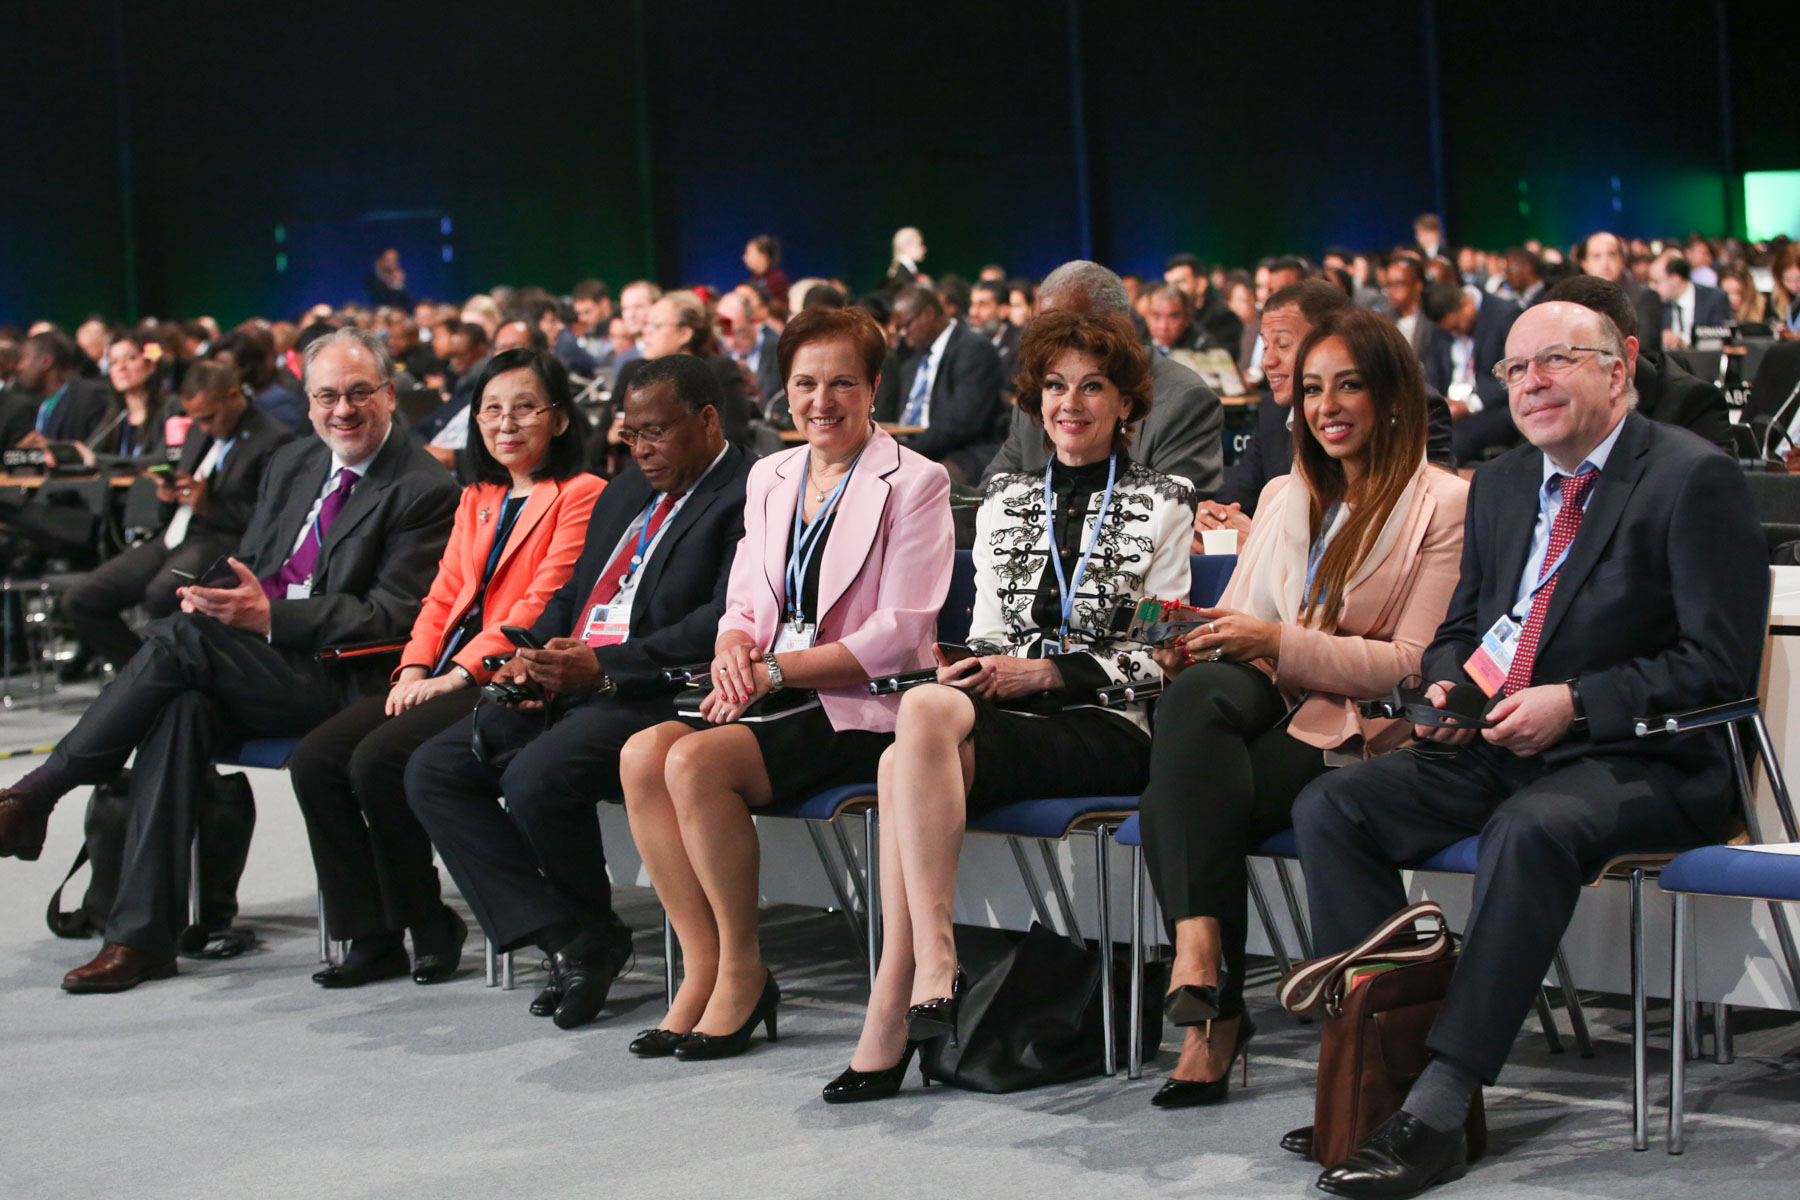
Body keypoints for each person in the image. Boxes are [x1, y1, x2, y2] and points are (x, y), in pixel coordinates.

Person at [1287, 301, 1766, 1195]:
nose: (1532, 384)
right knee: (1334, 804)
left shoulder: (1691, 478)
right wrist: (1446, 687)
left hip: (1647, 760)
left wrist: (1576, 706)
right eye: (1514, 369)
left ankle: (1437, 1102)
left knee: (1531, 828)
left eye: (1556, 361)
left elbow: (1719, 668)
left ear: (1618, 367)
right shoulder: (1504, 484)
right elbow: (1464, 625)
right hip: (1503, 743)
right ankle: (1374, 1075)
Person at [0, 327, 458, 993]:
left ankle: (40, 792)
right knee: (176, 703)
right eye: (327, 395)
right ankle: (142, 939)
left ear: (389, 394)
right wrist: (219, 597)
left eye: (360, 393)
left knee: (174, 645)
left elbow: (394, 616)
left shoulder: (422, 487)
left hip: (344, 672)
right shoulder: (295, 463)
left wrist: (270, 619)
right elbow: (261, 566)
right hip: (261, 657)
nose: (343, 410)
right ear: (306, 404)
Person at [826, 307, 1193, 1103]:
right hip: (1002, 717)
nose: (1072, 404)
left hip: (1108, 725)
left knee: (902, 758)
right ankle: (931, 962)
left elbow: (1166, 654)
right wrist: (976, 668)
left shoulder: (1166, 501)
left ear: (1125, 403)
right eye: (1056, 387)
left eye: (1094, 387)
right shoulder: (1002, 504)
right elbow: (991, 631)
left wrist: (1054, 676)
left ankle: (903, 993)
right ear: (1035, 402)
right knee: (922, 716)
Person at [1135, 308, 1467, 1109]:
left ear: (1393, 397)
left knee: (1182, 791)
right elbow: (1240, 627)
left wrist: (1273, 643)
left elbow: (1412, 668)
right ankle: (1204, 962)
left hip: (1363, 723)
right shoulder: (1284, 494)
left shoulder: (1444, 504)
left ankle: (1208, 1004)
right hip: (1265, 699)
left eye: (1349, 385)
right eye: (1312, 388)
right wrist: (1188, 641)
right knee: (1198, 692)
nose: (1326, 406)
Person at [619, 306, 953, 1062]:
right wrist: (736, 646)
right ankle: (701, 963)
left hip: (861, 704)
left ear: (873, 389)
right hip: (773, 687)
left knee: (693, 762)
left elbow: (900, 632)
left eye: (842, 382)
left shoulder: (917, 482)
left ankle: (743, 967)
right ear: (784, 391)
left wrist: (772, 669)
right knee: (642, 754)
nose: (821, 401)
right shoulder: (770, 473)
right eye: (805, 383)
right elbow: (744, 601)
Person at [406, 355, 752, 1028]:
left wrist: (606, 666)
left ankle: (587, 934)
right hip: (573, 679)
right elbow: (572, 595)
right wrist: (527, 654)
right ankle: (571, 937)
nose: (639, 449)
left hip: (652, 693)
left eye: (656, 432)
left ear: (707, 421)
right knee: (433, 770)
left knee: (538, 776)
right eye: (630, 432)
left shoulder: (748, 491)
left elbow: (721, 619)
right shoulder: (624, 492)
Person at [285, 349, 602, 989]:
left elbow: (543, 603)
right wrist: (413, 668)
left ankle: (434, 922)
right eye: (490, 409)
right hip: (441, 673)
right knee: (316, 761)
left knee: (379, 759)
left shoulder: (580, 494)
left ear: (559, 419)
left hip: (509, 674)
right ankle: (372, 934)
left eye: (523, 408)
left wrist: (457, 674)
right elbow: (441, 595)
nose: (504, 423)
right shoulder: (478, 496)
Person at [63, 360, 293, 670]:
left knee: (162, 594)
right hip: (174, 535)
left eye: (209, 417)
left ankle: (164, 676)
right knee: (81, 598)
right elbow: (185, 480)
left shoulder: (274, 439)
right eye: (196, 419)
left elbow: (272, 519)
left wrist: (208, 505)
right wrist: (169, 494)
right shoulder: (198, 431)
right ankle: (139, 672)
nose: (203, 426)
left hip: (224, 539)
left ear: (233, 395)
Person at [1199, 280, 1455, 537]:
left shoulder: (1410, 406)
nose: (1268, 361)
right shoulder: (1273, 411)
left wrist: (1262, 541)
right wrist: (1211, 518)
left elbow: (1423, 520)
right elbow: (1236, 497)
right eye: (1265, 345)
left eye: (1284, 344)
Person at [983, 261, 1224, 495]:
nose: (1050, 344)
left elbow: (1186, 516)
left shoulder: (1185, 400)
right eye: (1042, 330)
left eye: (1067, 332)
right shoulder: (1040, 393)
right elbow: (987, 499)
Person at [1547, 274, 1734, 453]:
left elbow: (1709, 482)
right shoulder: (1537, 404)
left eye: (1561, 358)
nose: (1540, 379)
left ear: (1626, 353)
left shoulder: (1691, 404)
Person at [883, 285, 1005, 482]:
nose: (903, 334)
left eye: (906, 325)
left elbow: (962, 423)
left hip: (961, 451)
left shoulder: (973, 349)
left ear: (928, 314)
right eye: (899, 329)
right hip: (913, 448)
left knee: (914, 480)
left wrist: (904, 451)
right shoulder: (912, 360)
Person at [1420, 282, 1523, 463]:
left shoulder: (1504, 316)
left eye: (1456, 327)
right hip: (1452, 404)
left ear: (1466, 304)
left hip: (1492, 406)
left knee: (1450, 439)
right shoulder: (1442, 327)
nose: (1454, 333)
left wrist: (1469, 405)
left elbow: (1514, 376)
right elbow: (1433, 371)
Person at [9, 328, 113, 447]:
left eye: (23, 359)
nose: (19, 367)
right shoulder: (33, 402)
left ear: (45, 362)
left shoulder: (90, 397)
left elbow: (94, 453)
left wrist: (53, 448)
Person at [1579, 231, 1664, 344]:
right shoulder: (1579, 302)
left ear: (1622, 260)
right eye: (1597, 256)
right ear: (1585, 264)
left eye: (1612, 255)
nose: (1605, 263)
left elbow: (1647, 351)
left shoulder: (1644, 297)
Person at [1649, 253, 1734, 349]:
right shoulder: (1655, 303)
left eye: (1656, 282)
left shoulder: (1715, 299)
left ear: (1676, 279)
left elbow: (1722, 340)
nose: (1652, 287)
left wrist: (1684, 343)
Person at [743, 235, 791, 319]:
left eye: (748, 253)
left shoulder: (777, 278)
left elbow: (786, 307)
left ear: (763, 256)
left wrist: (761, 302)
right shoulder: (754, 278)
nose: (744, 257)